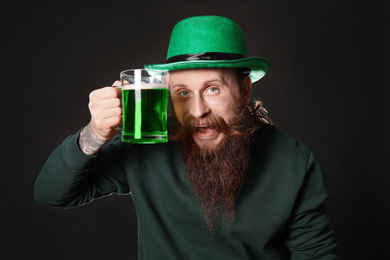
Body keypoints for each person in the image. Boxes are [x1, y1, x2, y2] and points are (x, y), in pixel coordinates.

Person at [35, 15, 338, 259]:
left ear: (244, 91)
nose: (198, 110)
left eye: (212, 89)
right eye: (182, 93)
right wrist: (94, 133)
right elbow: (51, 193)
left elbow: (315, 255)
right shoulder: (147, 146)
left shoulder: (294, 161)